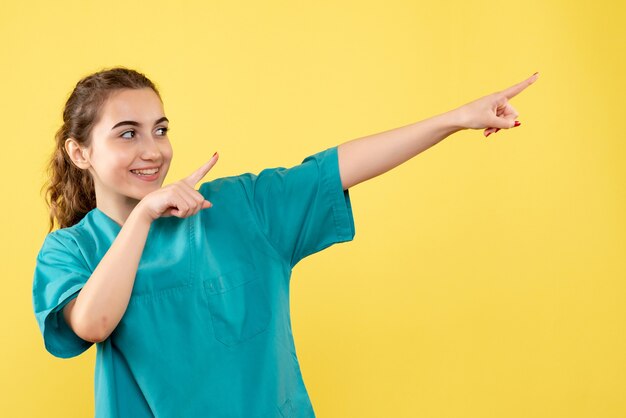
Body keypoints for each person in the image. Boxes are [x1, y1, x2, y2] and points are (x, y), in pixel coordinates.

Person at [32, 67, 539, 417]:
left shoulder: (237, 209)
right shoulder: (70, 253)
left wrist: (453, 119)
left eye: (159, 129)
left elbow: (332, 169)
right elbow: (93, 324)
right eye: (127, 134)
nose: (152, 150)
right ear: (80, 153)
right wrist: (142, 218)